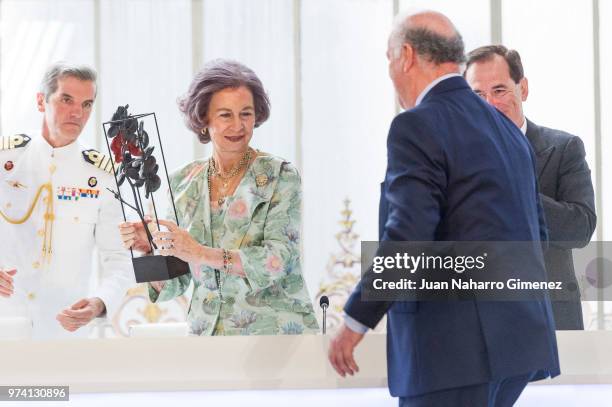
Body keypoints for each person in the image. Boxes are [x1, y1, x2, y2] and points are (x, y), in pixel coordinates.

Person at [327, 11, 560, 407]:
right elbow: (538, 236)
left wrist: (354, 321)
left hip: (452, 355)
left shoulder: (417, 125)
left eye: (388, 59)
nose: (390, 73)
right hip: (518, 346)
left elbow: (408, 238)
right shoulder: (507, 129)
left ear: (406, 55)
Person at [118, 59, 318, 336]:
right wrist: (150, 250)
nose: (238, 125)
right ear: (203, 120)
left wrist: (199, 253)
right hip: (206, 337)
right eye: (225, 115)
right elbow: (175, 282)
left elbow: (278, 260)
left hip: (276, 336)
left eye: (246, 114)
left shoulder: (280, 175)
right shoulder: (181, 182)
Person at [464, 45, 597, 330]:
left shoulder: (564, 148)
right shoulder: (453, 160)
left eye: (499, 90)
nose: (488, 103)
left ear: (522, 89)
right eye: (477, 95)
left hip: (550, 322)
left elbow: (581, 228)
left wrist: (515, 193)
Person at [0, 62, 134, 339]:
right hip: (5, 320)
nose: (77, 113)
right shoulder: (5, 159)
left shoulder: (103, 176)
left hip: (64, 330)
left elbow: (119, 258)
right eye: (66, 100)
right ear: (41, 101)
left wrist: (100, 302)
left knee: (59, 387)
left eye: (87, 104)